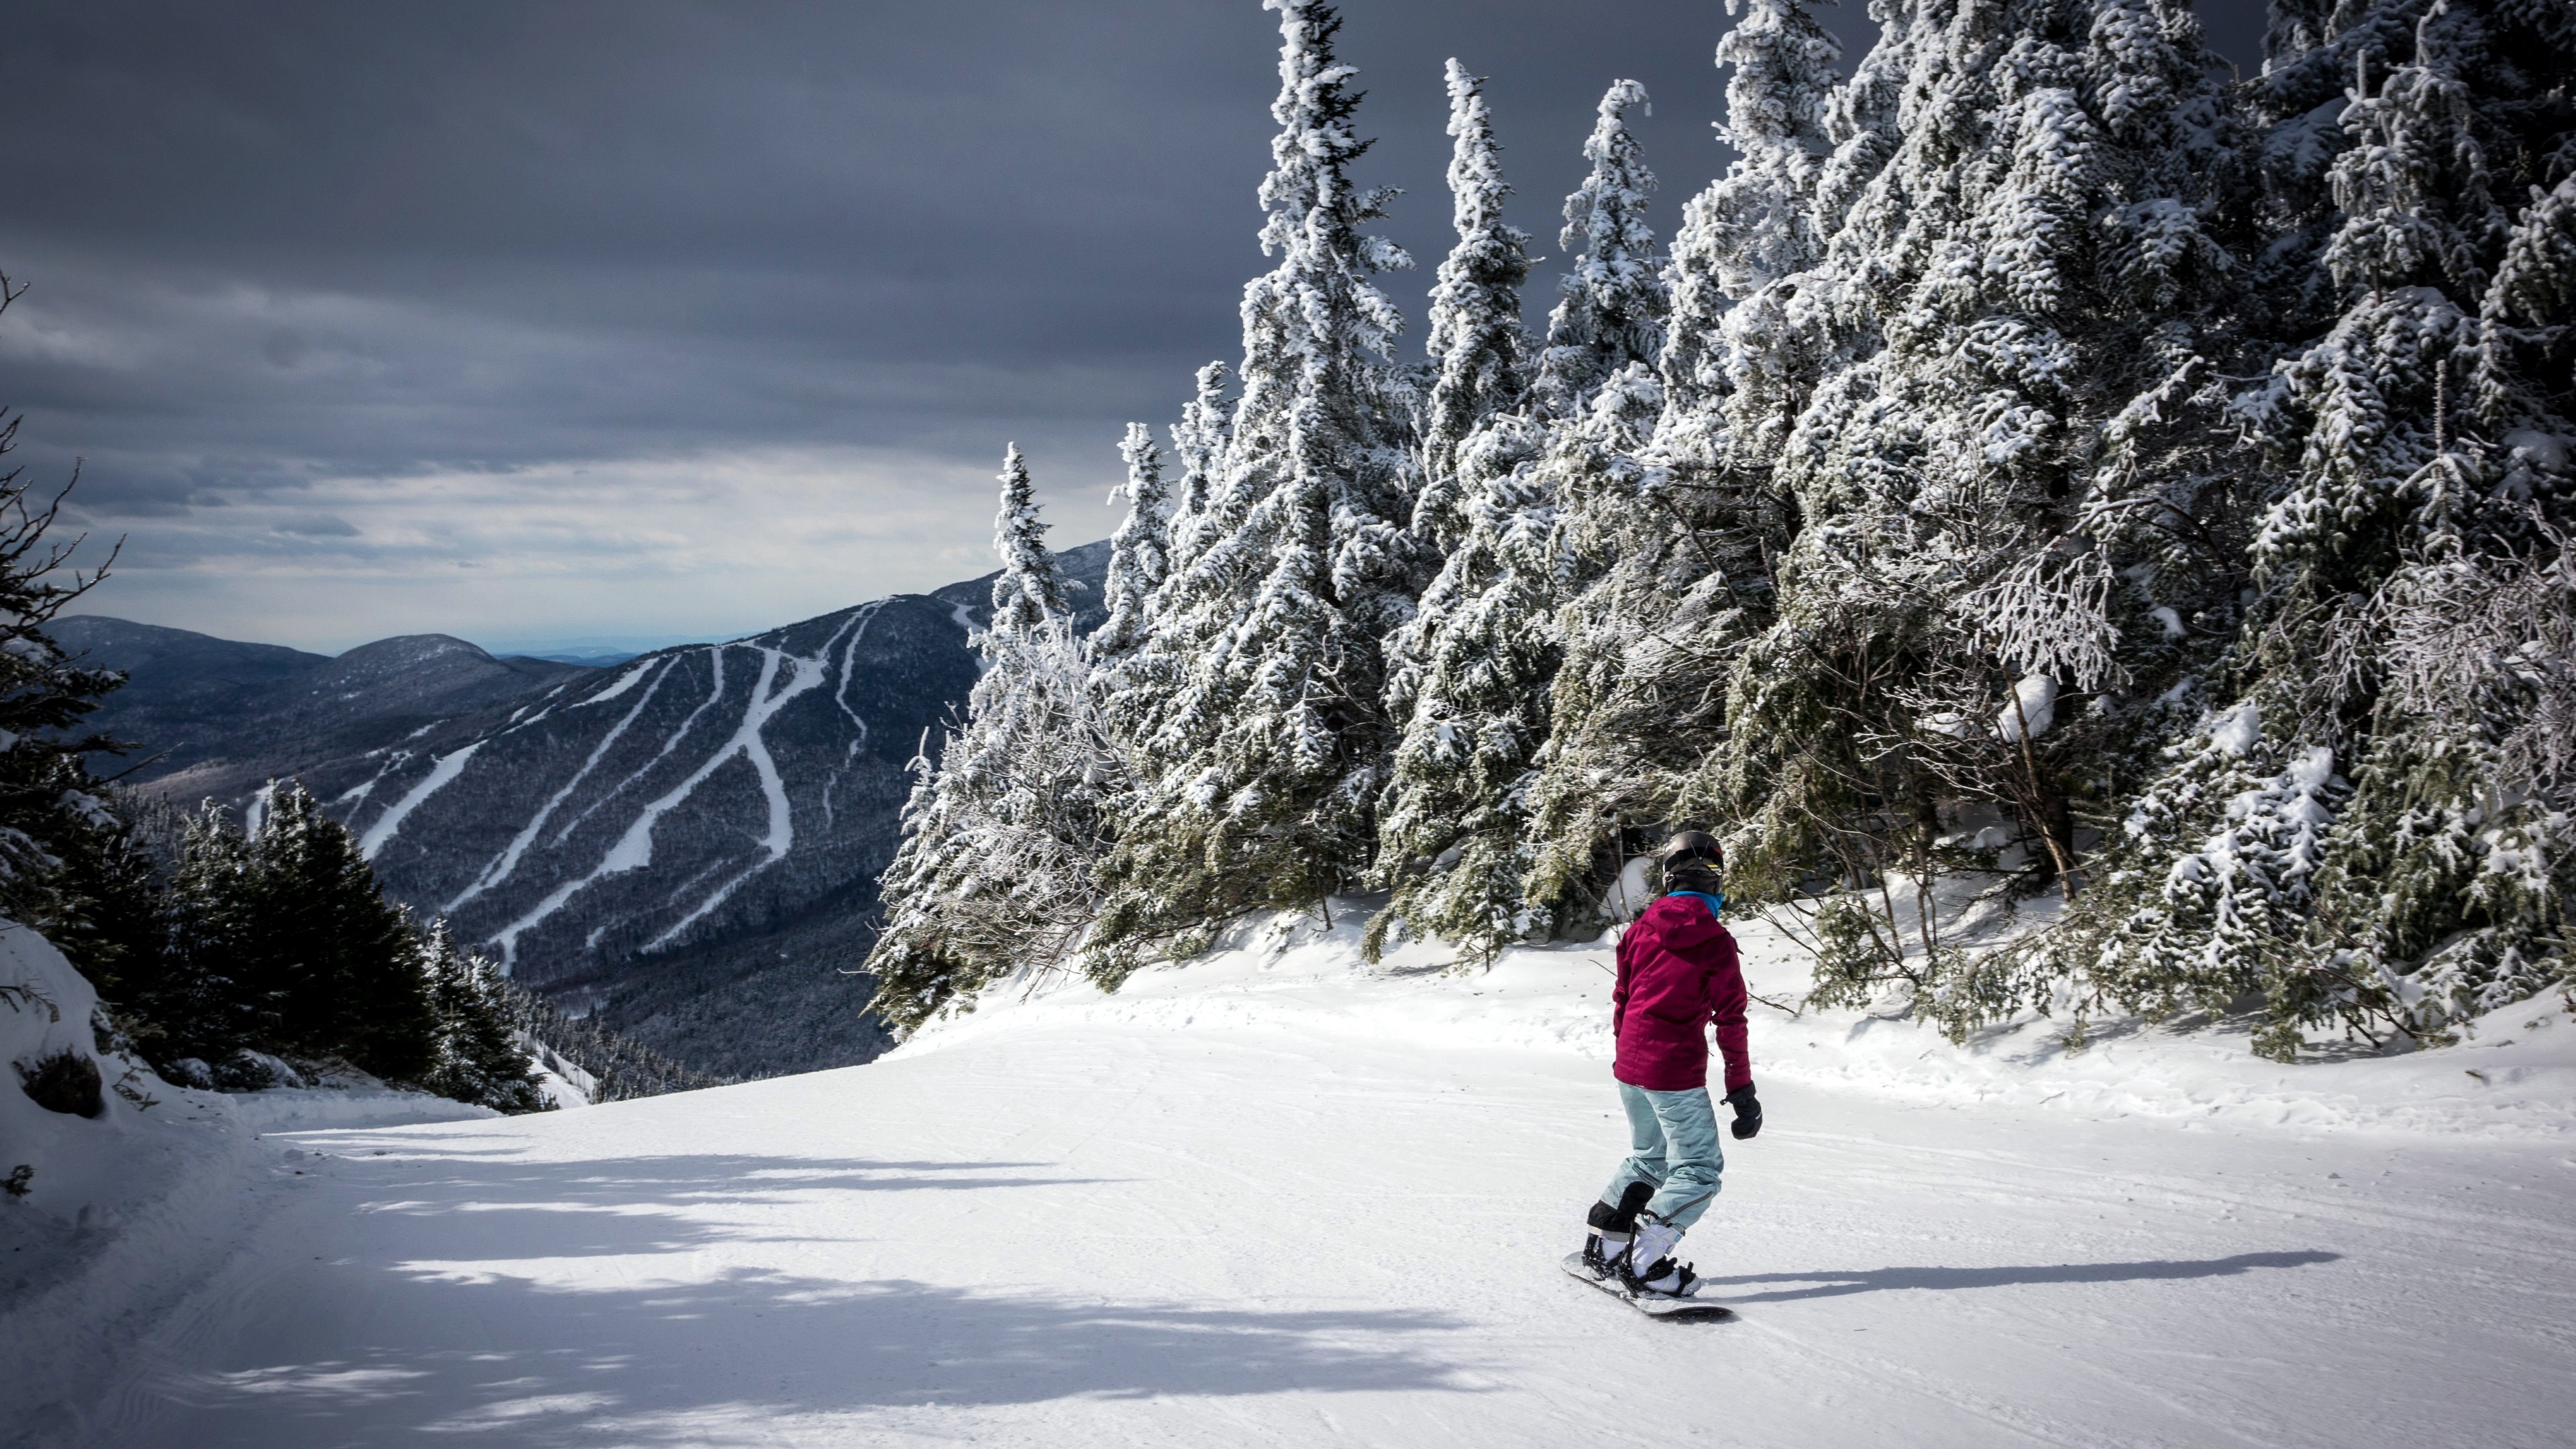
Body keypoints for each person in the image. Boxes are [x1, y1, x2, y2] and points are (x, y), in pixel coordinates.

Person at [1578, 830, 1761, 1298]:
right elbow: (1731, 1019)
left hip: (1632, 1065)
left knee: (1649, 1158)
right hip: (1673, 1071)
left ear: (1668, 880)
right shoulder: (1716, 942)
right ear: (1715, 885)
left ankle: (1604, 1243)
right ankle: (1644, 1262)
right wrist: (1741, 1089)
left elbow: (1622, 997)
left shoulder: (1639, 930)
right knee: (1700, 1170)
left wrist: (1630, 1054)